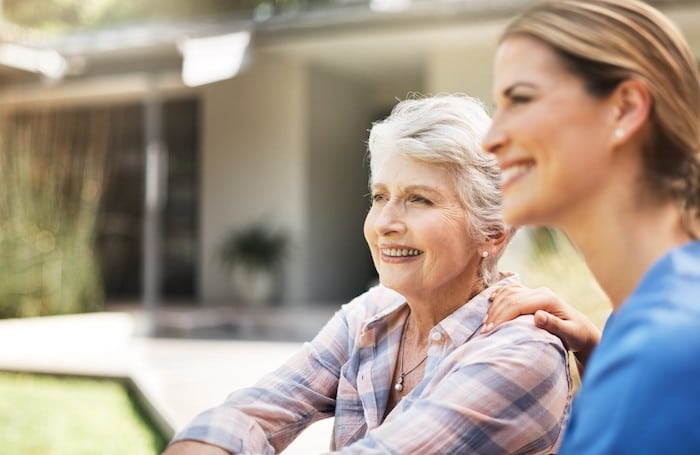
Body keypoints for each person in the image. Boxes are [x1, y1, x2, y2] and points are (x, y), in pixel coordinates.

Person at [163, 94, 571, 454]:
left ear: (493, 234)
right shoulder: (371, 316)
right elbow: (251, 416)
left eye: (419, 199)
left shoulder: (523, 353)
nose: (384, 223)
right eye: (380, 196)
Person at [481, 0, 700, 453]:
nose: (491, 138)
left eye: (520, 99)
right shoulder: (643, 322)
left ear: (623, 110)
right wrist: (603, 358)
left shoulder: (662, 350)